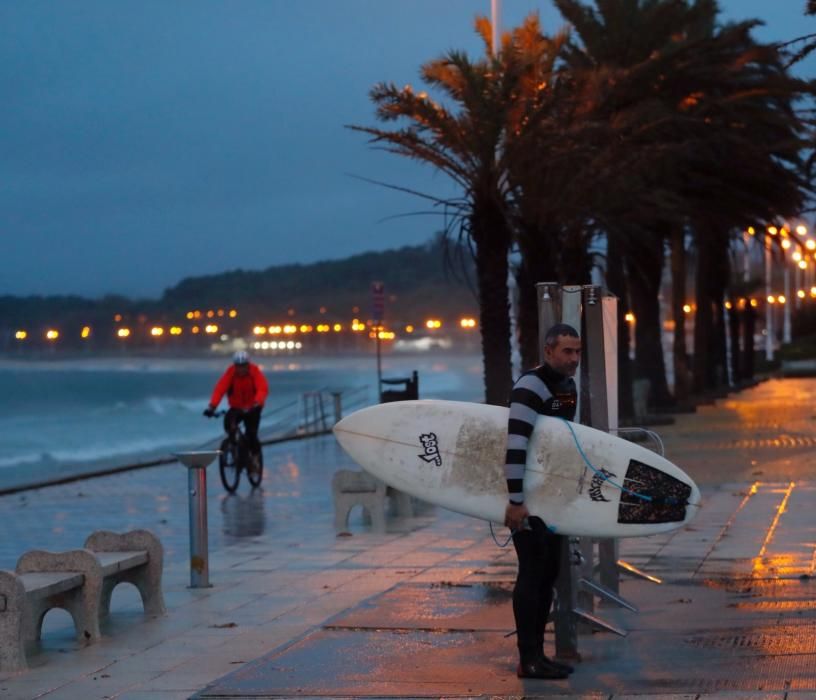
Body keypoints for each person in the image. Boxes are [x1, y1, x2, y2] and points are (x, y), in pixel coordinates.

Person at [503, 323, 581, 680]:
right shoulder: (530, 385)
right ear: (548, 351)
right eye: (567, 351)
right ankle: (527, 658)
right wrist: (516, 499)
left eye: (577, 352)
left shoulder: (568, 385)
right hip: (528, 498)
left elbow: (562, 442)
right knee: (532, 574)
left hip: (552, 497)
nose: (574, 359)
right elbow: (516, 443)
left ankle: (539, 656)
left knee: (549, 573)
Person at [203, 350, 269, 465]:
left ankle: (254, 458)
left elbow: (262, 388)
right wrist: (212, 407)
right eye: (238, 366)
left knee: (251, 434)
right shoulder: (230, 373)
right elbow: (220, 389)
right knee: (229, 425)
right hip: (236, 407)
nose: (241, 369)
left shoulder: (255, 372)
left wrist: (257, 402)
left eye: (243, 366)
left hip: (253, 407)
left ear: (248, 365)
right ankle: (234, 449)